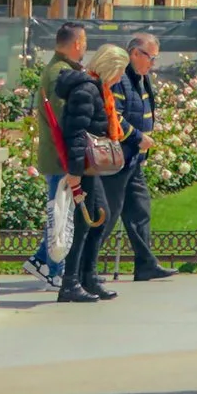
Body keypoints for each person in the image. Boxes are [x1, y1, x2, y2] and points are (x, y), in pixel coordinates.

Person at [54, 46, 126, 304]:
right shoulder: (87, 90)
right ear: (109, 67)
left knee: (99, 218)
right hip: (83, 166)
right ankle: (70, 283)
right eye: (119, 71)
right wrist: (74, 173)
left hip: (89, 165)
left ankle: (88, 277)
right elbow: (75, 133)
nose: (120, 77)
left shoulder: (97, 89)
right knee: (86, 222)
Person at [26, 20, 87, 281]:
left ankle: (40, 261)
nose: (85, 47)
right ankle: (54, 271)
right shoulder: (59, 74)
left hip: (58, 153)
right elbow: (65, 120)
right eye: (84, 42)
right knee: (59, 216)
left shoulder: (59, 69)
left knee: (61, 213)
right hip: (60, 155)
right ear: (77, 44)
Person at [112, 33, 171, 283]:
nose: (153, 63)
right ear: (135, 54)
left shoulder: (140, 77)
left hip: (134, 158)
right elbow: (114, 116)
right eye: (151, 57)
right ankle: (82, 270)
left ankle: (145, 265)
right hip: (119, 157)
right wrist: (137, 137)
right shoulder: (120, 78)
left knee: (140, 210)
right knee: (108, 215)